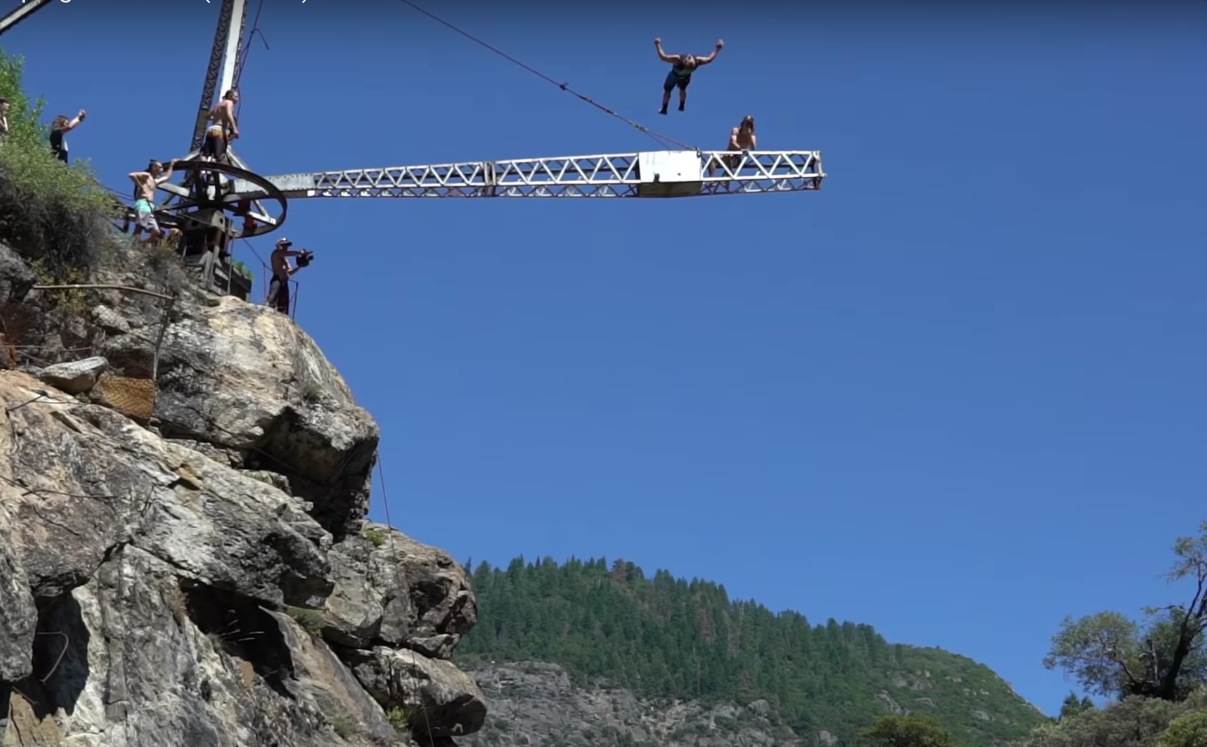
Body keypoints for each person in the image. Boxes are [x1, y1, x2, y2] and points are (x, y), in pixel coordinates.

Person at [654, 37, 723, 115]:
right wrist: (718, 48)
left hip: (675, 75)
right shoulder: (697, 61)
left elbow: (663, 57)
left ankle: (665, 109)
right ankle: (681, 105)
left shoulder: (678, 60)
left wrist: (658, 44)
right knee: (682, 89)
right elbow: (710, 59)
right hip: (684, 77)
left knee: (667, 91)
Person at [128, 159, 179, 247]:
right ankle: (134, 245)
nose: (162, 169)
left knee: (156, 231)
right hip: (143, 203)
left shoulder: (154, 181)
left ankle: (142, 243)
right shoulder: (147, 176)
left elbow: (167, 177)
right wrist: (140, 186)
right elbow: (131, 175)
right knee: (140, 226)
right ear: (154, 168)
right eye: (160, 167)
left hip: (149, 207)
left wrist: (172, 165)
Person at [266, 238, 309, 315]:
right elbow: (290, 253)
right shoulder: (276, 253)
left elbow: (290, 272)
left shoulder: (285, 260)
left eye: (287, 245)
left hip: (284, 282)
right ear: (279, 246)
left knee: (284, 306)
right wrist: (300, 253)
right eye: (284, 245)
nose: (286, 247)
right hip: (277, 279)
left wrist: (299, 266)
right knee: (271, 299)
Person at [201, 89, 239, 163]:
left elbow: (208, 116)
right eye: (236, 97)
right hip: (219, 131)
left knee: (205, 156)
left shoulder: (218, 104)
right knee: (219, 157)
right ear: (230, 96)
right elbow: (229, 114)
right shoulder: (229, 102)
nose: (237, 99)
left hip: (211, 130)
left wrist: (217, 118)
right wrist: (234, 128)